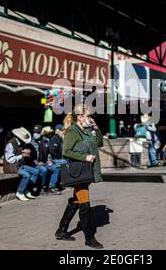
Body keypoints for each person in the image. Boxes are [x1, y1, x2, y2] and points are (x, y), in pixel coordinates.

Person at [55, 105, 104, 249]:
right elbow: (66, 151)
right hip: (79, 171)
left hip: (85, 171)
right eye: (88, 116)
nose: (90, 118)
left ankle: (61, 230)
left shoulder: (87, 130)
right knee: (85, 203)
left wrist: (95, 127)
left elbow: (99, 142)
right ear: (80, 117)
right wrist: (85, 157)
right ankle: (89, 238)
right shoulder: (72, 131)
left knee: (77, 200)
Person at [3, 127, 38, 201]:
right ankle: (20, 192)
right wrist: (22, 155)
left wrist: (26, 151)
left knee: (36, 172)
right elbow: (9, 159)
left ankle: (27, 189)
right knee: (26, 175)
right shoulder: (11, 143)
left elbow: (19, 151)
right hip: (11, 167)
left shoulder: (20, 143)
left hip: (19, 165)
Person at [30, 125, 60, 195]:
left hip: (45, 162)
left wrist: (50, 160)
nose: (35, 134)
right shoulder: (31, 142)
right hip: (34, 164)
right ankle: (43, 188)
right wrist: (37, 163)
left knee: (56, 168)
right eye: (34, 132)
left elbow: (49, 153)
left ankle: (51, 187)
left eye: (37, 132)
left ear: (41, 133)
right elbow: (30, 156)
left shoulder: (46, 141)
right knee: (43, 170)